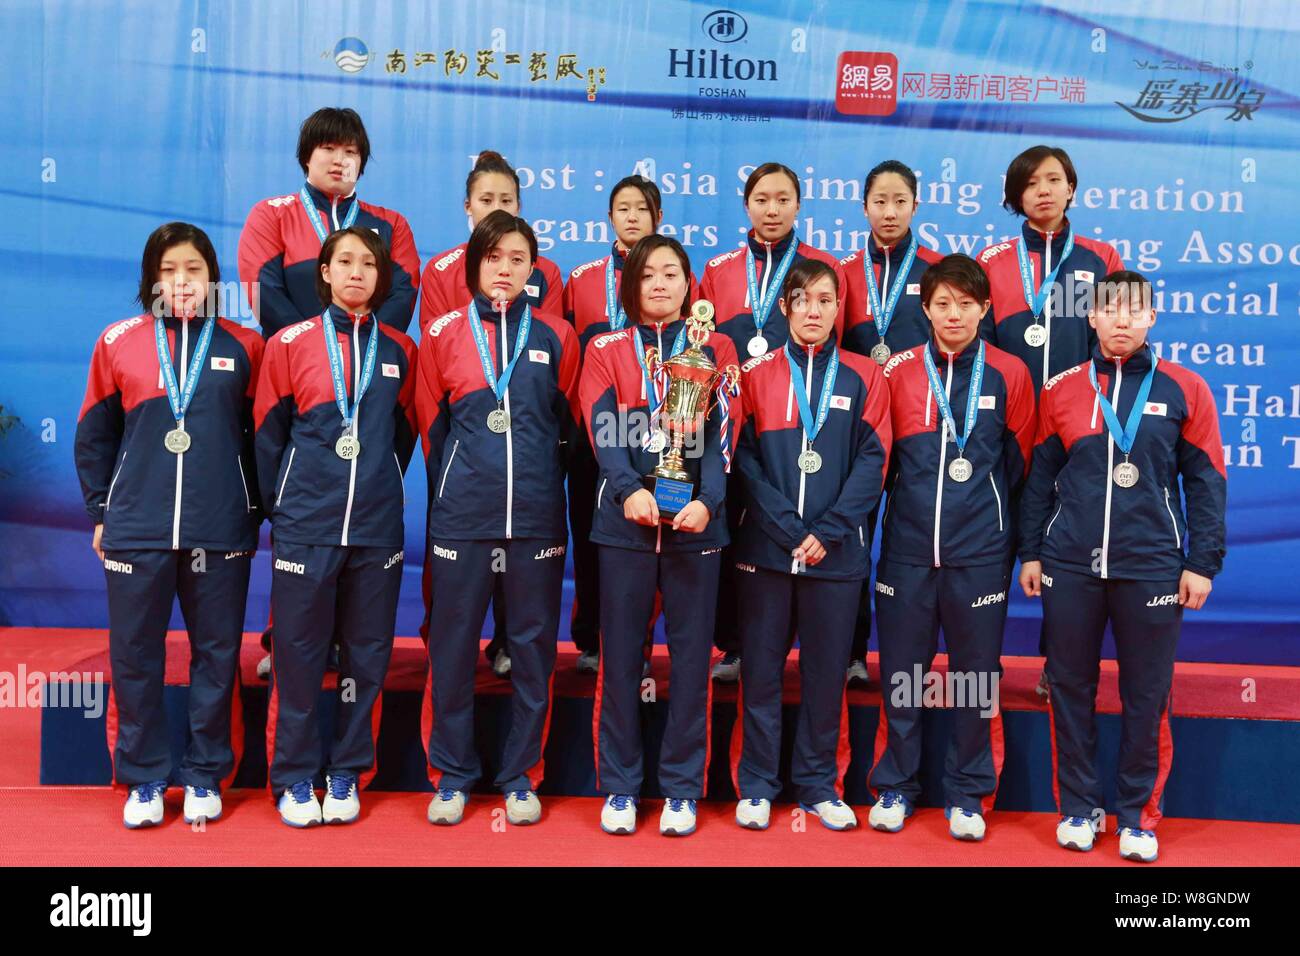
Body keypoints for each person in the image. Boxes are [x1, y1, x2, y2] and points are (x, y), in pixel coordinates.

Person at [1018, 271, 1226, 863]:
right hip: (1069, 566)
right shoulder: (1061, 389)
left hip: (1153, 566)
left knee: (1146, 694)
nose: (1121, 321)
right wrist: (1032, 552)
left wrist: (1201, 563)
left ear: (1151, 318)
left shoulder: (1186, 388)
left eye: (1135, 312)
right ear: (1091, 317)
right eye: (1110, 311)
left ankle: (1137, 817)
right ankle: (1079, 810)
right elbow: (1037, 483)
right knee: (1069, 688)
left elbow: (1207, 482)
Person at [75, 222, 263, 828]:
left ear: (212, 278)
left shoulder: (244, 346)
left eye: (194, 270)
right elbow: (94, 436)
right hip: (138, 527)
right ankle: (145, 779)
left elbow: (263, 441)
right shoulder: (118, 342)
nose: (182, 282)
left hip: (218, 527)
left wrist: (252, 510)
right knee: (135, 656)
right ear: (151, 279)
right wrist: (102, 511)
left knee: (216, 655)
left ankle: (206, 774)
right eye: (169, 270)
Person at [238, 106, 421, 679]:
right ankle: (284, 638)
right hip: (295, 378)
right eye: (329, 149)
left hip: (369, 373)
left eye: (352, 152)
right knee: (303, 517)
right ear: (307, 155)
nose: (340, 160)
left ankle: (347, 641)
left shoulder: (390, 224)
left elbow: (400, 296)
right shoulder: (272, 215)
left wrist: (358, 346)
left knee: (360, 516)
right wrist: (308, 345)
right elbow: (262, 290)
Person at [415, 211, 581, 827]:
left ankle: (520, 776)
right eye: (493, 258)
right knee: (453, 652)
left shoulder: (559, 336)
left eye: (516, 258)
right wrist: (457, 493)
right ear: (473, 267)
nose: (505, 269)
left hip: (536, 519)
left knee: (534, 653)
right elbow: (431, 430)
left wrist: (537, 483)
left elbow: (569, 433)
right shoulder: (441, 336)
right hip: (463, 518)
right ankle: (452, 775)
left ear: (532, 268)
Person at [865, 255, 1036, 841]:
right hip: (907, 553)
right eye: (943, 304)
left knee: (974, 677)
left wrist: (998, 533)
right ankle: (895, 785)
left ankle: (967, 793)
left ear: (985, 309)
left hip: (979, 554)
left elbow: (1022, 468)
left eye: (966, 304)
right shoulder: (898, 372)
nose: (954, 314)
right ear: (926, 308)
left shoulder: (1011, 373)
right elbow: (880, 467)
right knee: (902, 675)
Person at [254, 227, 418, 827]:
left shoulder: (400, 350)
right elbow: (267, 435)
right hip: (307, 526)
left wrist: (375, 483)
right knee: (297, 656)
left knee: (367, 658)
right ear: (323, 272)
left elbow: (403, 438)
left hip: (376, 529)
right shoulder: (290, 343)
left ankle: (347, 770)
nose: (356, 272)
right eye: (344, 261)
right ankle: (295, 777)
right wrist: (289, 507)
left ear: (381, 276)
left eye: (368, 264)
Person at [579, 235, 740, 837]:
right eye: (647, 275)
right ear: (630, 284)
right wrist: (628, 490)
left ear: (689, 284)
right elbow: (603, 429)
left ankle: (680, 789)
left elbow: (728, 437)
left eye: (671, 273)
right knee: (621, 659)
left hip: (697, 528)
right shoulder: (606, 348)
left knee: (693, 662)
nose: (659, 284)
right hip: (625, 526)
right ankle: (620, 788)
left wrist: (707, 502)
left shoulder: (715, 347)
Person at [728, 259, 891, 832]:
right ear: (785, 307)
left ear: (839, 308)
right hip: (766, 552)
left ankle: (821, 785)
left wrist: (828, 532)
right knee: (763, 673)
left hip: (836, 554)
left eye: (826, 300)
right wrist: (790, 530)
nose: (814, 310)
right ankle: (756, 785)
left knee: (826, 674)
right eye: (803, 299)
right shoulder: (754, 374)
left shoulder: (865, 376)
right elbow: (742, 462)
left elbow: (874, 461)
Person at [977, 144, 1124, 698]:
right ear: (1015, 195)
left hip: (1073, 424)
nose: (1043, 190)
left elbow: (1107, 341)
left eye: (1054, 179)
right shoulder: (993, 261)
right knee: (993, 540)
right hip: (1006, 426)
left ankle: (1054, 665)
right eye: (1031, 182)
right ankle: (980, 666)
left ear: (1072, 188)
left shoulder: (1099, 258)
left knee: (1065, 548)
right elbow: (981, 345)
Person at [418, 150, 565, 677]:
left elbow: (556, 401)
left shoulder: (547, 278)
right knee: (453, 632)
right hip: (468, 465)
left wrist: (544, 466)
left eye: (507, 201)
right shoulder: (441, 273)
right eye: (486, 200)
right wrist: (455, 473)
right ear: (467, 207)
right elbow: (438, 387)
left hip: (529, 475)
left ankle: (507, 643)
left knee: (528, 624)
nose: (495, 207)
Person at [700, 162, 846, 681]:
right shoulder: (719, 270)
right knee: (736, 529)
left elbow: (835, 348)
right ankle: (737, 645)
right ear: (747, 205)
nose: (772, 209)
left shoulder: (824, 266)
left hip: (808, 423)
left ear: (799, 205)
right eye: (762, 199)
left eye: (783, 199)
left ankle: (841, 652)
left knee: (825, 527)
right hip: (740, 422)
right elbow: (708, 347)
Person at [563, 176, 700, 674]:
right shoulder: (580, 278)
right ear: (609, 217)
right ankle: (596, 636)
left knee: (667, 538)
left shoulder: (680, 279)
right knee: (599, 535)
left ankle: (652, 645)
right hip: (603, 431)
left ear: (657, 217)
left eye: (642, 208)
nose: (632, 217)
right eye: (622, 208)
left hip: (673, 431)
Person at [839, 159, 943, 684]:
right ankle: (853, 650)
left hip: (922, 430)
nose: (889, 211)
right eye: (879, 201)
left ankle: (912, 659)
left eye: (900, 201)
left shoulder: (938, 272)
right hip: (853, 432)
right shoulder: (840, 274)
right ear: (864, 208)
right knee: (851, 535)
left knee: (918, 540)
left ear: (915, 206)